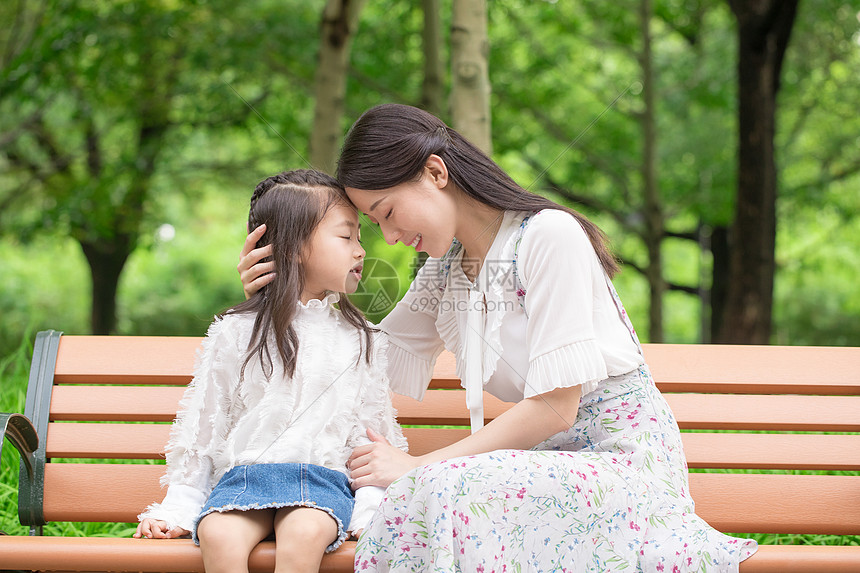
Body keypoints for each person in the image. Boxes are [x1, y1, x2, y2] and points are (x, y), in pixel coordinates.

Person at [239, 105, 758, 572]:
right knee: (436, 489)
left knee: (438, 486)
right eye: (375, 225)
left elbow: (558, 409)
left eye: (388, 213)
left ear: (435, 172)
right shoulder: (444, 272)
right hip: (537, 472)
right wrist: (284, 290)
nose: (390, 238)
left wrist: (418, 464)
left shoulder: (549, 236)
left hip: (618, 470)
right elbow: (358, 359)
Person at [137, 169, 407, 573]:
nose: (360, 251)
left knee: (304, 531)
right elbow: (205, 425)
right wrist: (179, 506)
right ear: (295, 247)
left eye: (359, 238)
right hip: (245, 478)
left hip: (319, 482)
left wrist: (370, 509)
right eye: (346, 236)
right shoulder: (237, 330)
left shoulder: (361, 337)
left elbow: (369, 434)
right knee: (218, 533)